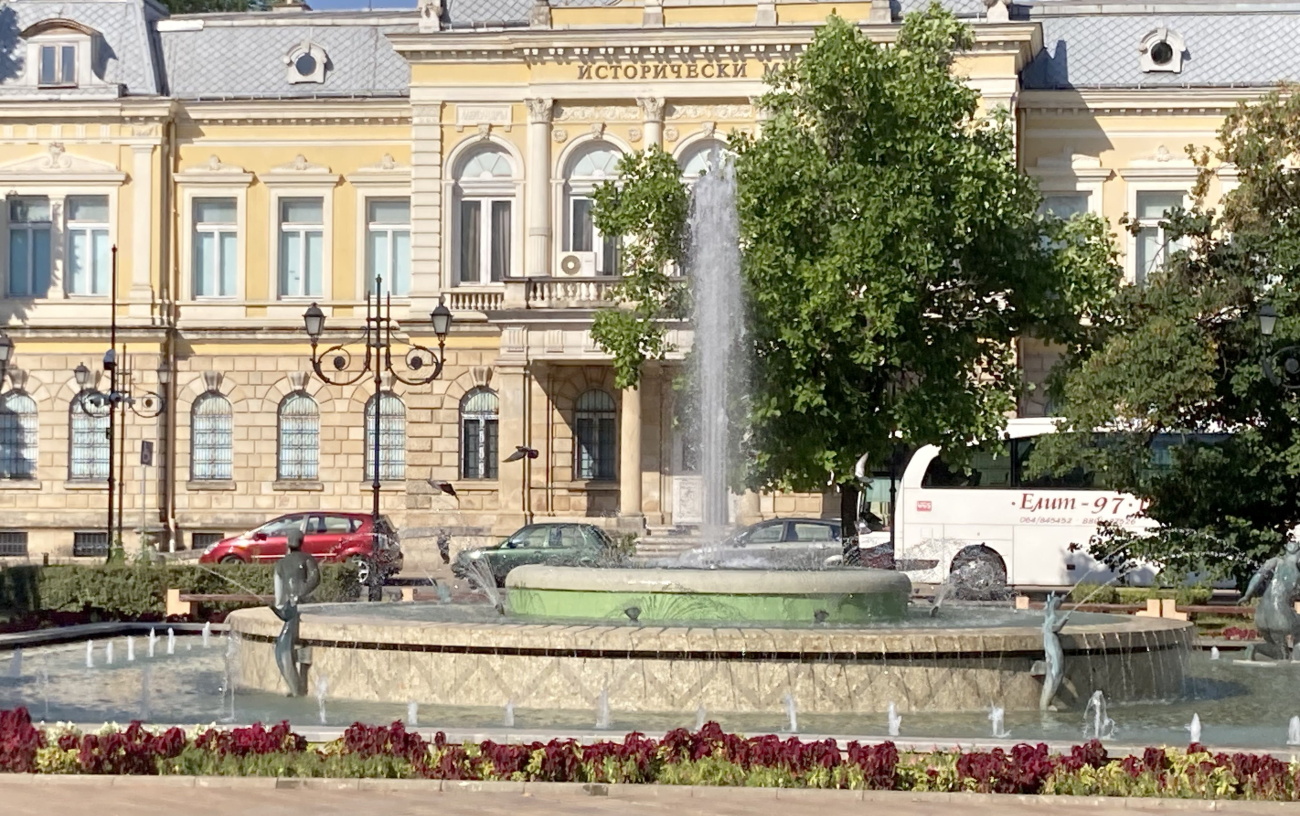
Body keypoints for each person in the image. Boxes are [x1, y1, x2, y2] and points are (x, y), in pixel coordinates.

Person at [271, 528, 321, 696]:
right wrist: (302, 593)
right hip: (304, 603)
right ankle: (298, 686)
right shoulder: (308, 559)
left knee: (283, 648)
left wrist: (281, 606)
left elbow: (278, 594)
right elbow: (315, 579)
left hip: (289, 606)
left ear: (287, 543)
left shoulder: (280, 564)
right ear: (302, 542)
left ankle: (295, 687)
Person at [1241, 525, 1300, 661]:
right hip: (1279, 616)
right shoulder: (1297, 571)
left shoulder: (1276, 561)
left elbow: (1257, 577)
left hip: (1261, 616)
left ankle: (1254, 648)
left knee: (1280, 652)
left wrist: (1247, 595)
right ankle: (1297, 662)